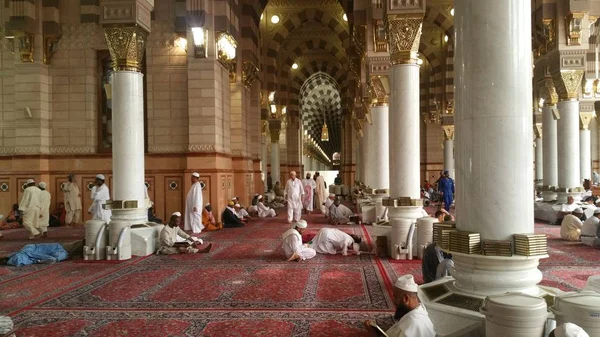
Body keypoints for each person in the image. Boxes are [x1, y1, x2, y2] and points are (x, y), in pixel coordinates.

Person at [365, 275, 435, 337]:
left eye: (395, 297)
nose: (393, 301)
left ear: (406, 298)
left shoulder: (411, 327)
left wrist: (373, 334)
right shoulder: (419, 309)